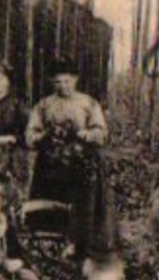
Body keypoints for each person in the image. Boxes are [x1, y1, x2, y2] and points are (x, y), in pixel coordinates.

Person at [25, 62, 117, 256]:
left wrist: (86, 134)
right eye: (58, 82)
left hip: (80, 163)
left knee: (82, 205)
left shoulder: (88, 103)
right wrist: (45, 135)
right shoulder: (44, 105)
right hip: (51, 163)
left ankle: (80, 244)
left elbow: (102, 134)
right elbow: (30, 137)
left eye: (67, 81)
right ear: (52, 83)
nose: (63, 86)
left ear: (75, 81)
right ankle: (48, 243)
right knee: (48, 206)